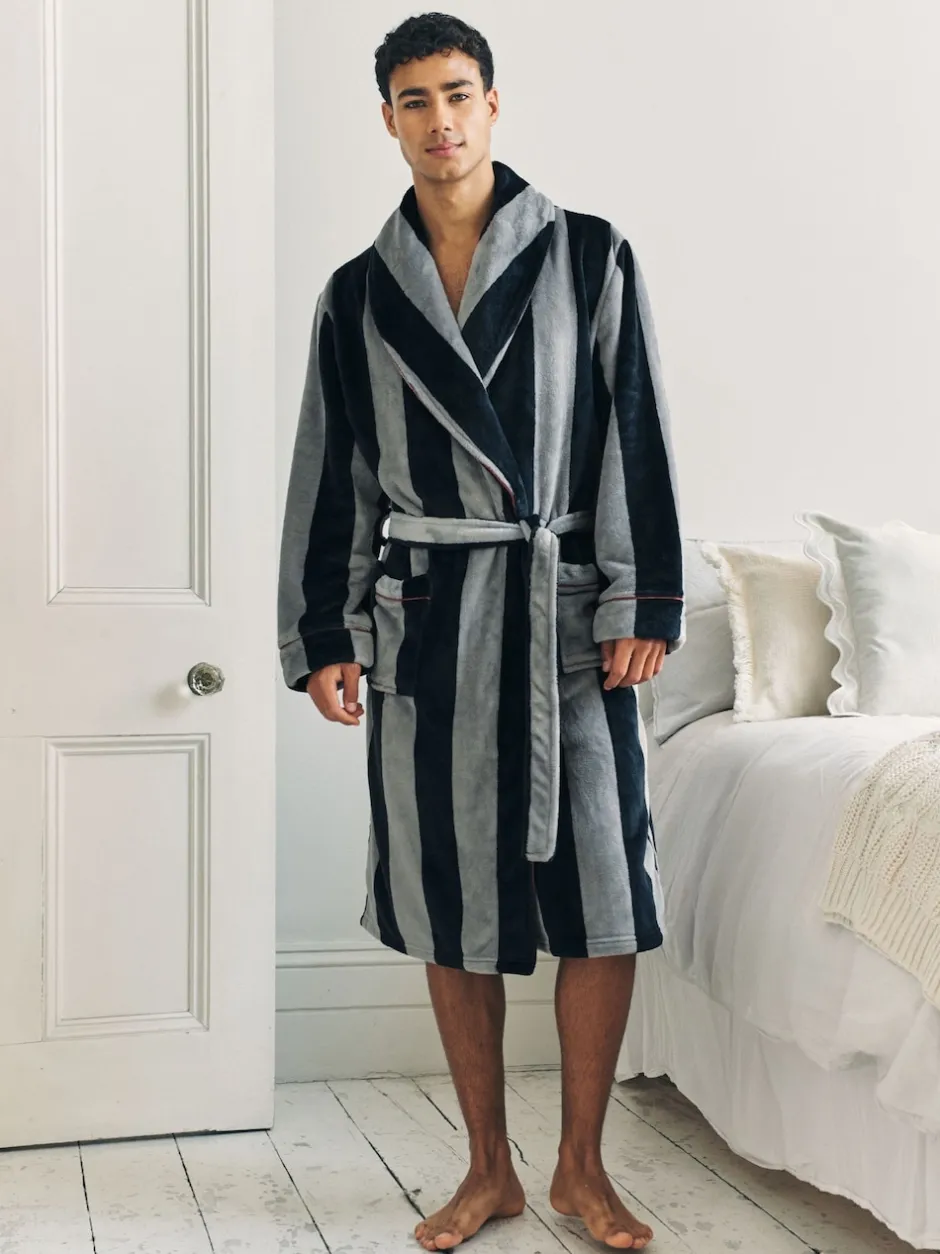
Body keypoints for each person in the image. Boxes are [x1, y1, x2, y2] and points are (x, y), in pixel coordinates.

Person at [277, 12, 685, 1251]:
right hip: (429, 623)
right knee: (443, 896)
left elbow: (633, 424)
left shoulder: (588, 254)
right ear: (388, 119)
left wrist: (640, 598)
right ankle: (488, 1169)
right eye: (414, 100)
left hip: (567, 620)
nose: (440, 120)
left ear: (492, 104)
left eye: (458, 94)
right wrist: (327, 630)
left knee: (601, 892)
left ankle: (581, 1168)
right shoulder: (358, 295)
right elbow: (333, 471)